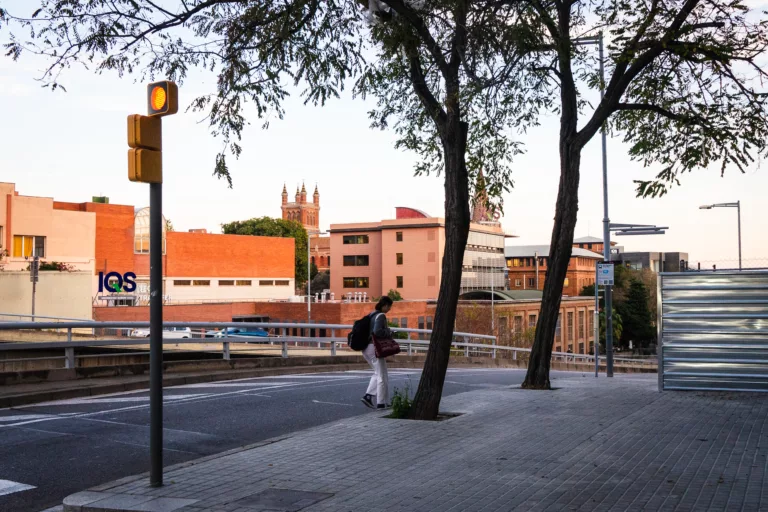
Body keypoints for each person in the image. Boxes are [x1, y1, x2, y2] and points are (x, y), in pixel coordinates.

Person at [361, 296, 393, 409]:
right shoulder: (381, 316)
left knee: (378, 373)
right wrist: (389, 331)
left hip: (366, 348)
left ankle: (369, 396)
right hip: (374, 348)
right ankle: (381, 403)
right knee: (382, 375)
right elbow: (377, 332)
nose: (389, 309)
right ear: (384, 305)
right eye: (389, 306)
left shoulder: (372, 314)